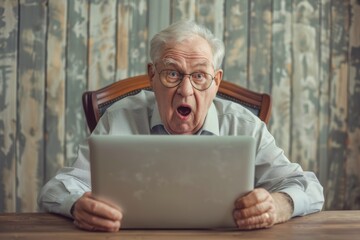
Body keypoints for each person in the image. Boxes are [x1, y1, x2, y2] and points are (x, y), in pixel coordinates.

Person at [38, 20, 324, 232]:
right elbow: (57, 188)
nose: (185, 91)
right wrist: (77, 205)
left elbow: (308, 187)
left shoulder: (244, 125)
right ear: (152, 75)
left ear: (217, 82)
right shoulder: (119, 118)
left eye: (199, 76)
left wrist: (278, 206)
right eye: (172, 73)